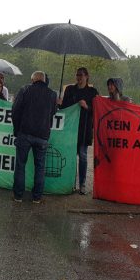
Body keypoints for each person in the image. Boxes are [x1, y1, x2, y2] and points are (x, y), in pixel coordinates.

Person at [12, 71, 57, 203]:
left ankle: (18, 196)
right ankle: (37, 197)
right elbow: (53, 112)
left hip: (24, 133)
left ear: (33, 80)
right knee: (40, 167)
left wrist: (17, 130)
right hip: (43, 135)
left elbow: (15, 110)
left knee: (20, 165)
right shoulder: (53, 94)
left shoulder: (25, 90)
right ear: (44, 80)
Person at [59, 67, 99, 195]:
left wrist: (87, 106)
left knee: (82, 156)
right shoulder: (70, 89)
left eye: (81, 75)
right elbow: (64, 107)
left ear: (87, 76)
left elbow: (97, 110)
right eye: (77, 75)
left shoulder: (93, 92)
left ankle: (82, 183)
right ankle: (70, 183)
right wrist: (60, 103)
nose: (78, 77)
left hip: (84, 129)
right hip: (70, 129)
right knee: (70, 157)